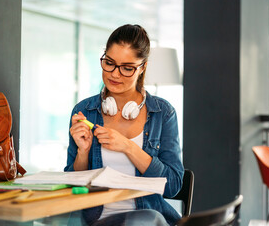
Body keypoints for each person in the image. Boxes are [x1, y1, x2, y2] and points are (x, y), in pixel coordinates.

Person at [64, 24, 184, 226]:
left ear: (142, 67)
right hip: (97, 220)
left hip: (148, 218)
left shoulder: (163, 113)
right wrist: (83, 153)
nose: (115, 74)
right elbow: (73, 187)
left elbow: (173, 186)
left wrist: (128, 147)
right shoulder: (85, 110)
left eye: (127, 68)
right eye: (109, 63)